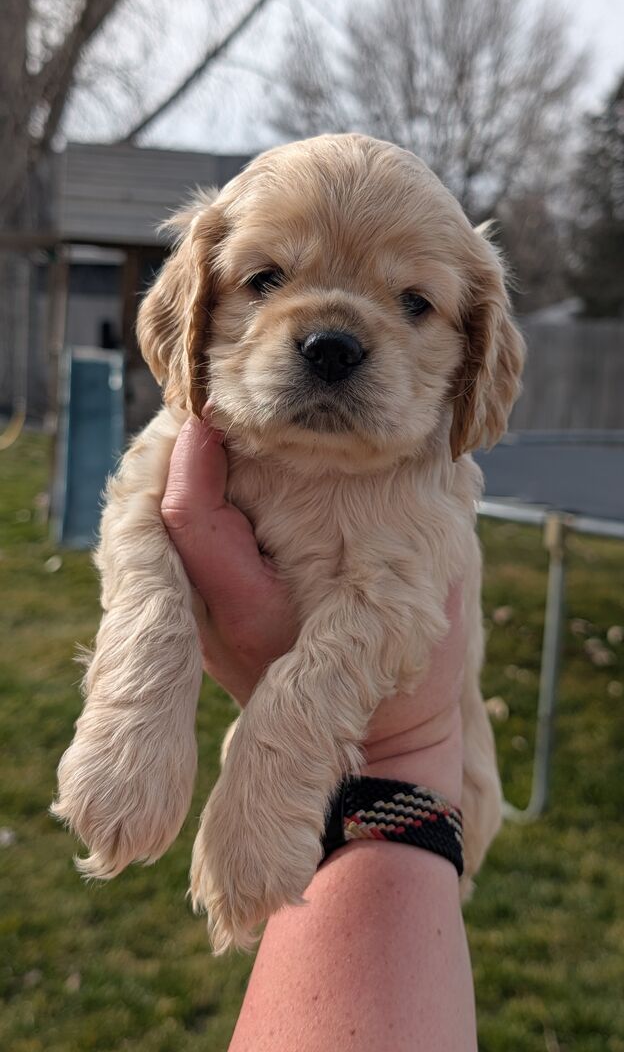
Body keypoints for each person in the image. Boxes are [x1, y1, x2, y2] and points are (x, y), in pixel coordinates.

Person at [161, 416, 478, 1051]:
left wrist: (296, 756)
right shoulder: (190, 427)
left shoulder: (427, 461)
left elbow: (395, 594)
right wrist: (138, 702)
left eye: (414, 307)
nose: (329, 342)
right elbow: (143, 507)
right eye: (259, 305)